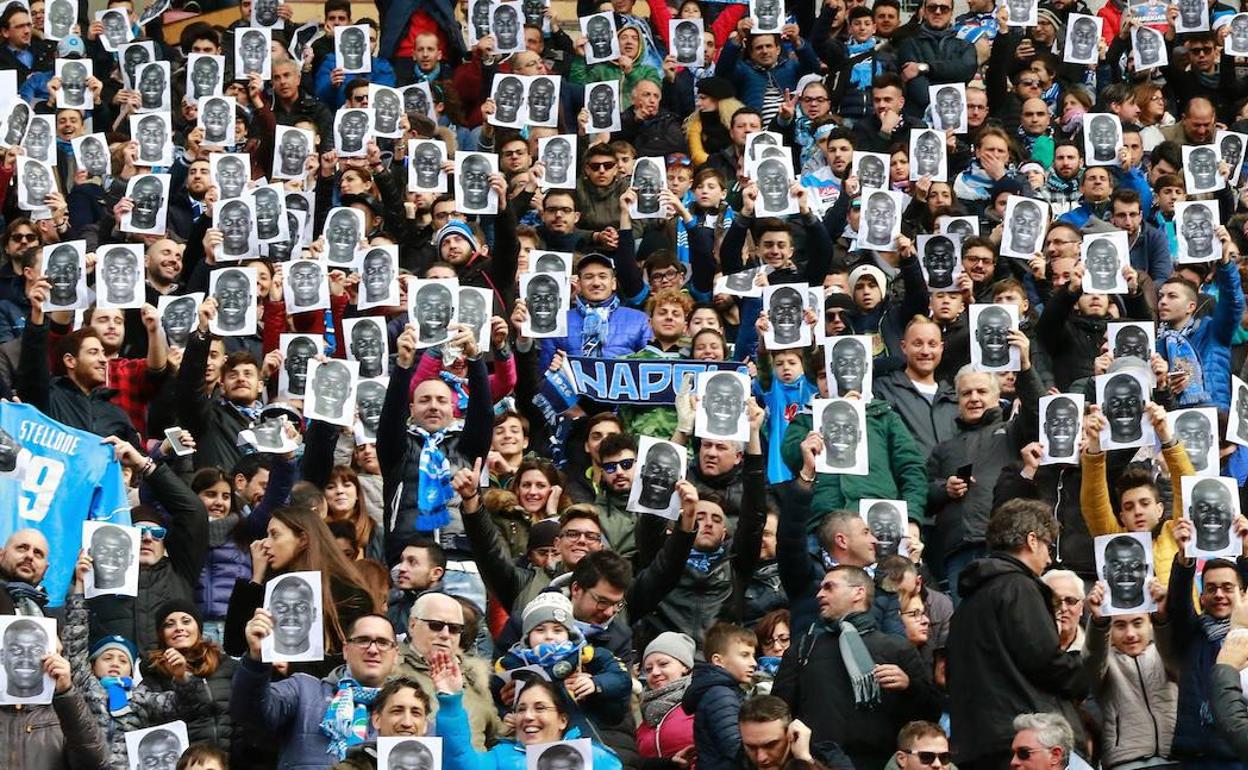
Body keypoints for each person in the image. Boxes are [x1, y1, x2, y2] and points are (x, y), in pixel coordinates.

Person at [947, 500, 1089, 770]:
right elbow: (1045, 662)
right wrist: (1085, 671)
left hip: (975, 746)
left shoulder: (967, 602)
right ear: (1032, 540)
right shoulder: (1019, 588)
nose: (1049, 559)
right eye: (1048, 546)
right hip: (1021, 745)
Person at [772, 566, 941, 769]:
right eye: (820, 588)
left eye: (829, 587)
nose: (819, 594)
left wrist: (909, 686)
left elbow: (930, 716)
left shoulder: (897, 648)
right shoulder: (804, 648)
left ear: (858, 593)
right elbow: (779, 710)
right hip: (818, 764)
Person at [231, 613, 400, 763]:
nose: (373, 649)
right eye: (362, 640)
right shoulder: (303, 690)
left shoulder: (408, 709)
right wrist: (256, 660)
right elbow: (249, 712)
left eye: (383, 642)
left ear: (395, 655)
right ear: (346, 650)